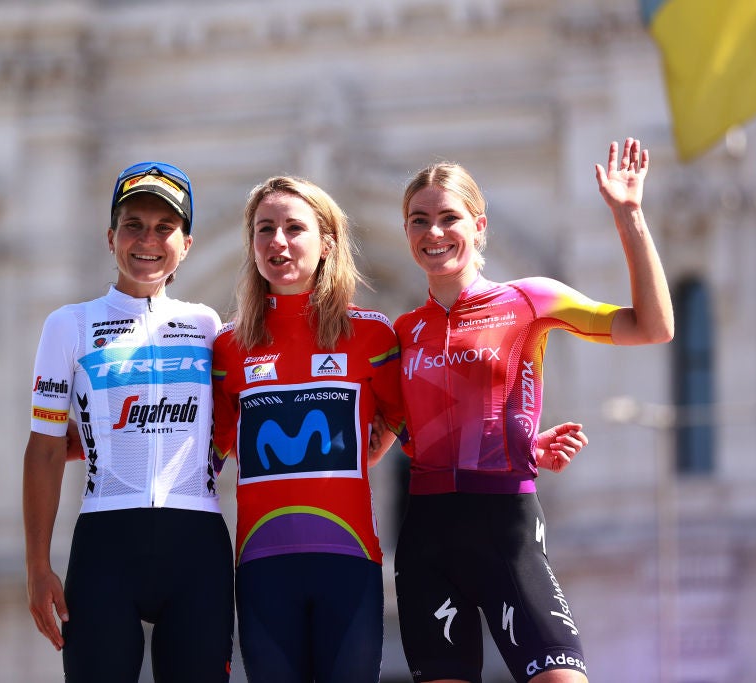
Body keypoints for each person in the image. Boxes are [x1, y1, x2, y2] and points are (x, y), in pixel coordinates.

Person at [210, 176, 590, 683]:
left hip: (351, 562)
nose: (278, 240)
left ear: (327, 243)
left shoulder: (371, 334)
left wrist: (512, 441)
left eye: (293, 228)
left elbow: (412, 420)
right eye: (264, 229)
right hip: (260, 564)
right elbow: (211, 442)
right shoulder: (226, 347)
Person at [392, 138, 675, 683]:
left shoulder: (529, 300)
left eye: (448, 217)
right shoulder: (404, 331)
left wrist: (629, 216)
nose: (433, 233)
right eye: (418, 220)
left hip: (507, 531)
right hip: (427, 540)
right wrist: (520, 439)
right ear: (406, 231)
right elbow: (406, 433)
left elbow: (652, 326)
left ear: (479, 225)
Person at [23, 161, 234, 683]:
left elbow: (234, 422)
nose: (148, 240)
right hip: (105, 544)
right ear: (110, 236)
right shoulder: (69, 324)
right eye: (134, 224)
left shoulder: (208, 325)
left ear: (187, 244)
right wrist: (37, 565)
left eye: (165, 228)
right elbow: (45, 448)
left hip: (198, 544)